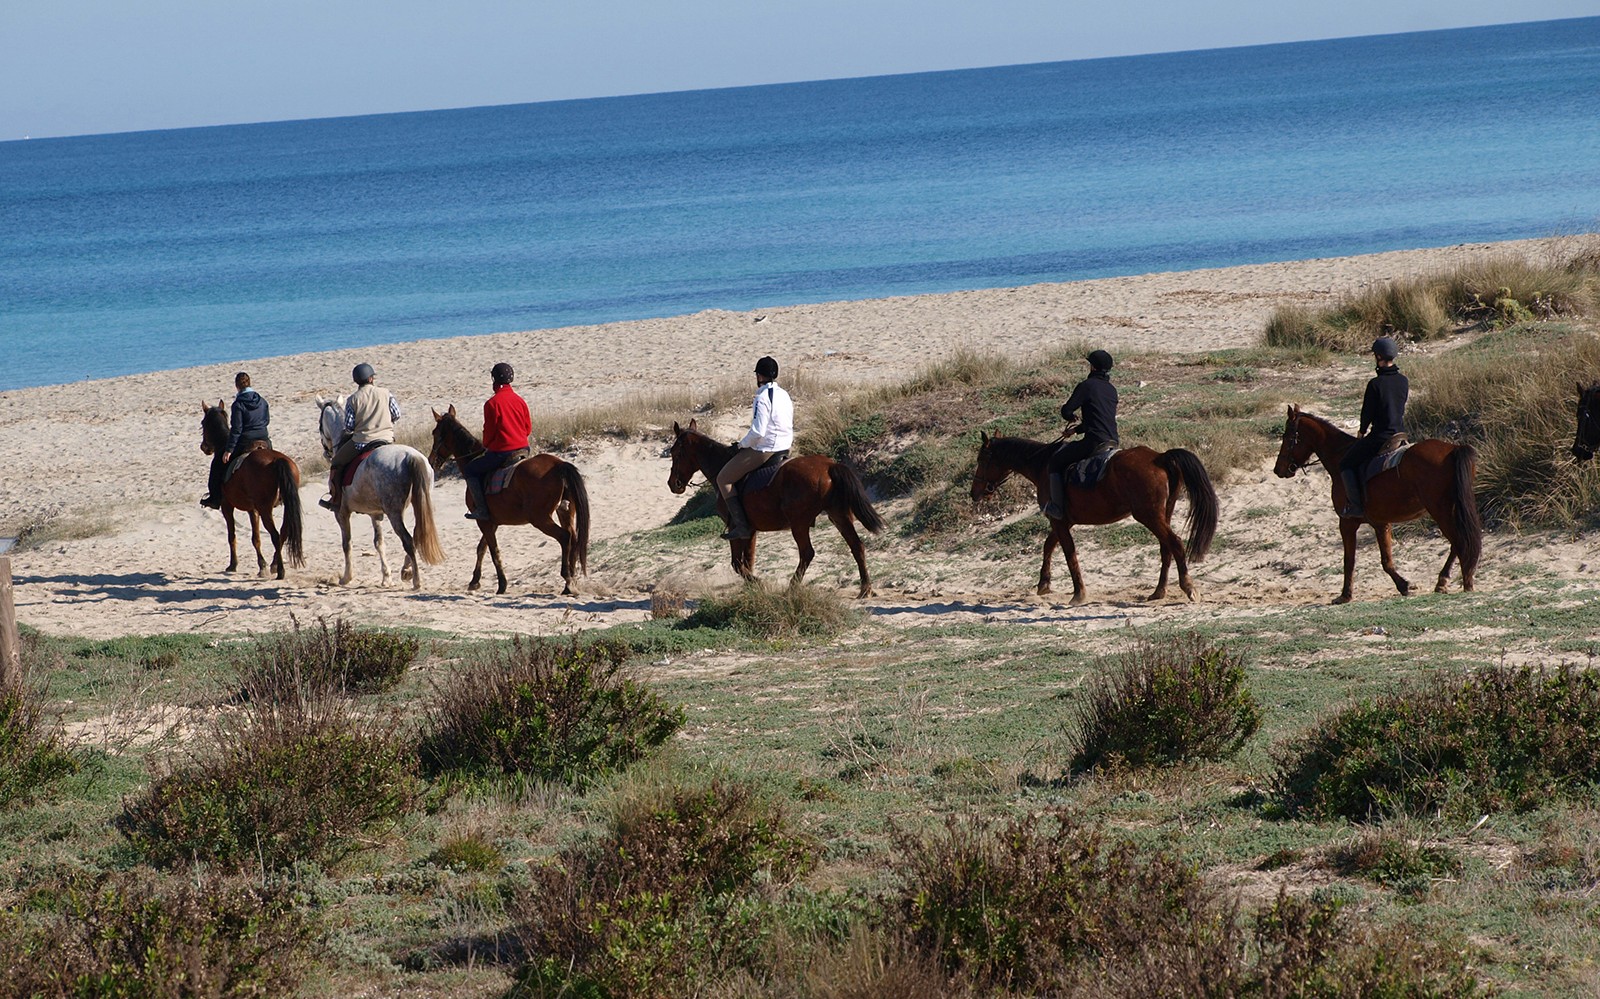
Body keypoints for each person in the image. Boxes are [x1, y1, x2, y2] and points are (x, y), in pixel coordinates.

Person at [715, 355, 794, 540]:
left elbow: (758, 432)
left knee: (723, 479)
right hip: (785, 446)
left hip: (766, 449)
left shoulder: (761, 396)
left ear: (759, 376)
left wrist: (740, 445)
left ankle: (741, 527)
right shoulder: (784, 394)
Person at [1042, 349, 1120, 520]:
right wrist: (1075, 430)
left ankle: (1057, 507)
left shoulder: (1087, 386)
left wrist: (1069, 417)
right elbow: (1098, 419)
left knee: (1055, 461)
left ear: (1092, 367)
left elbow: (1067, 410)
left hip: (1094, 442)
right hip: (1113, 441)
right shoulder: (1111, 390)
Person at [1338, 336, 1409, 519]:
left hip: (1381, 436)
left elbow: (1367, 413)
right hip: (1400, 434)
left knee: (1345, 463)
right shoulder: (1403, 381)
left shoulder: (1375, 384)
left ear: (1378, 356)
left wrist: (1361, 432)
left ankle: (1356, 506)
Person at [321, 362, 402, 510]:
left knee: (336, 462)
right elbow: (397, 414)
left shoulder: (353, 399)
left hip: (362, 442)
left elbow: (349, 426)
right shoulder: (386, 392)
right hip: (386, 439)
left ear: (357, 381)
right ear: (371, 379)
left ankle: (335, 498)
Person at [462, 362, 532, 521]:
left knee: (471, 470)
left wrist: (488, 445)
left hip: (503, 453)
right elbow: (528, 428)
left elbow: (489, 434)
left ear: (494, 380)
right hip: (524, 449)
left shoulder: (491, 404)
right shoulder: (520, 400)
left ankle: (481, 509)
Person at [201, 371, 271, 509]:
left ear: (237, 386)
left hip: (246, 441)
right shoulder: (262, 401)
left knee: (217, 465)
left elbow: (236, 429)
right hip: (264, 440)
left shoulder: (238, 404)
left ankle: (214, 499)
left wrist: (228, 450)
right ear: (250, 383)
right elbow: (266, 420)